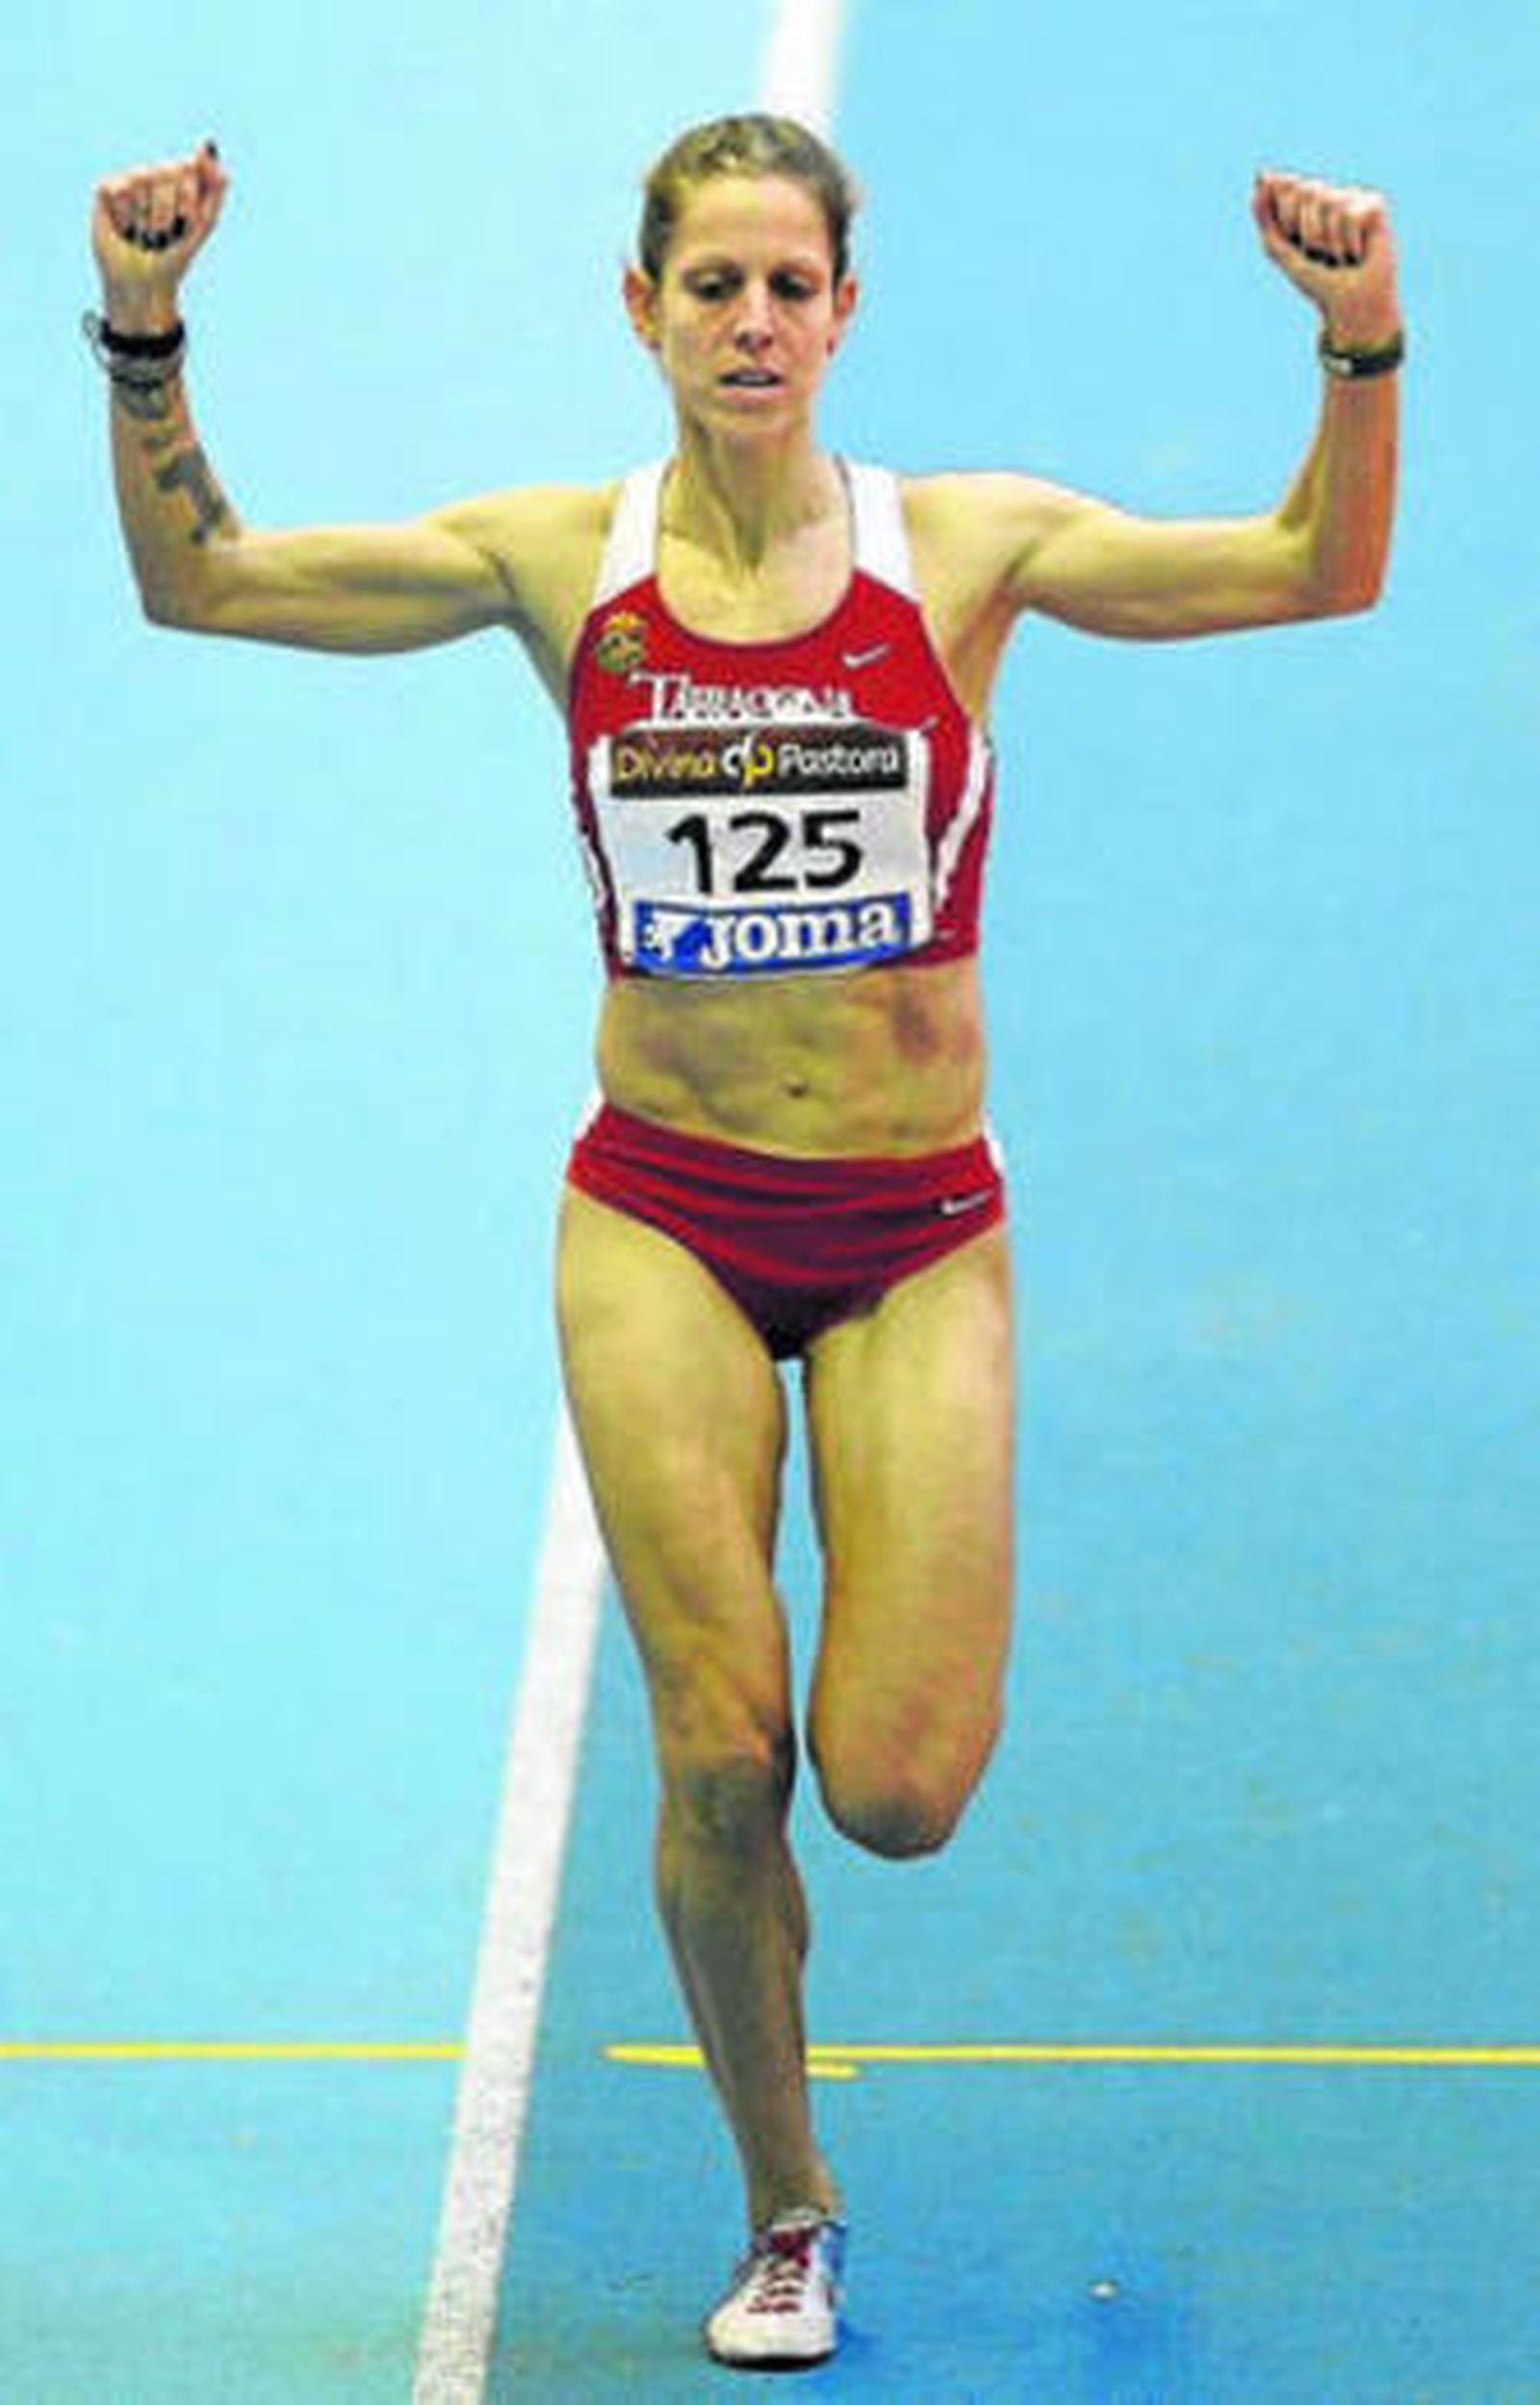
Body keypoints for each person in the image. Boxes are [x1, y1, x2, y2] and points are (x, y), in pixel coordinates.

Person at [87, 113, 1400, 2371]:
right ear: (642, 310)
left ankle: (888, 1707)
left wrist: (1357, 343)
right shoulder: (554, 561)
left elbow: (1310, 566)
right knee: (717, 1751)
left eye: (789, 286)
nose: (753, 324)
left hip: (912, 1229)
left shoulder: (957, 548)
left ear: (844, 312)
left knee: (889, 1788)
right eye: (712, 288)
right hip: (664, 1213)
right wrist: (142, 324)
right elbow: (203, 580)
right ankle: (782, 2201)